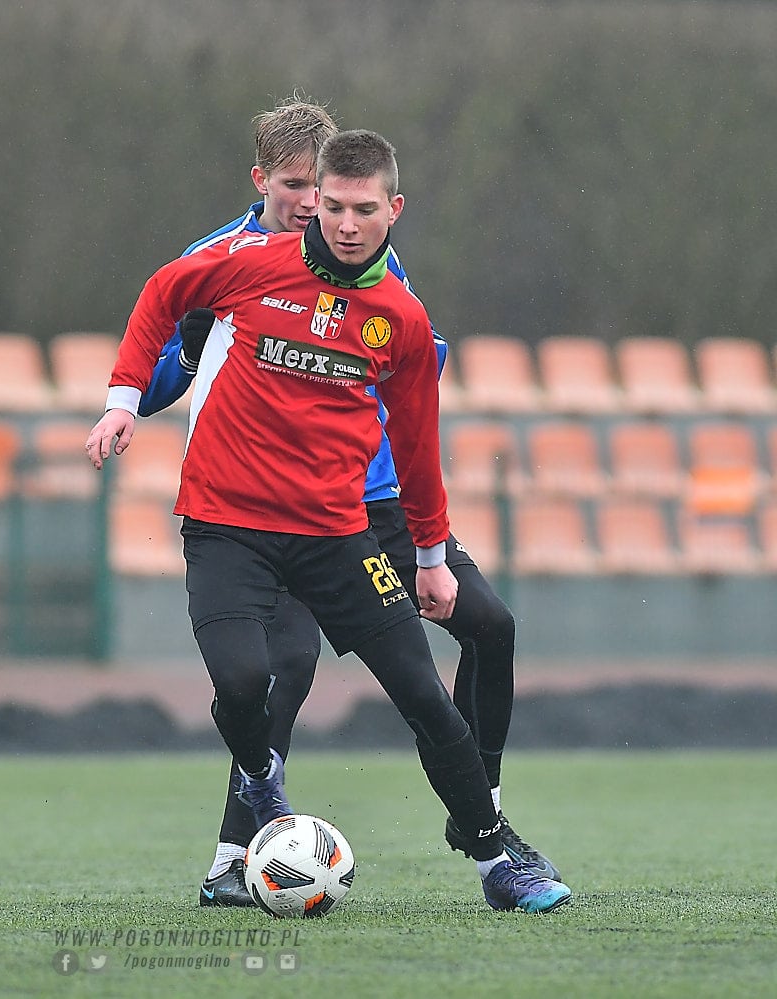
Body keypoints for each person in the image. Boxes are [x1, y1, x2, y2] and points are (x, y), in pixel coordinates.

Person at [86, 128, 571, 914]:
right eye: (330, 205)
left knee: (425, 691)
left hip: (337, 532)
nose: (342, 222)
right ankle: (256, 789)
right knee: (251, 678)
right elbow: (161, 295)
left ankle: (495, 860)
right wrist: (121, 401)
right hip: (227, 524)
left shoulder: (400, 315)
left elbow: (416, 449)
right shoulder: (250, 261)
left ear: (393, 210)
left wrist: (432, 556)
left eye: (360, 209)